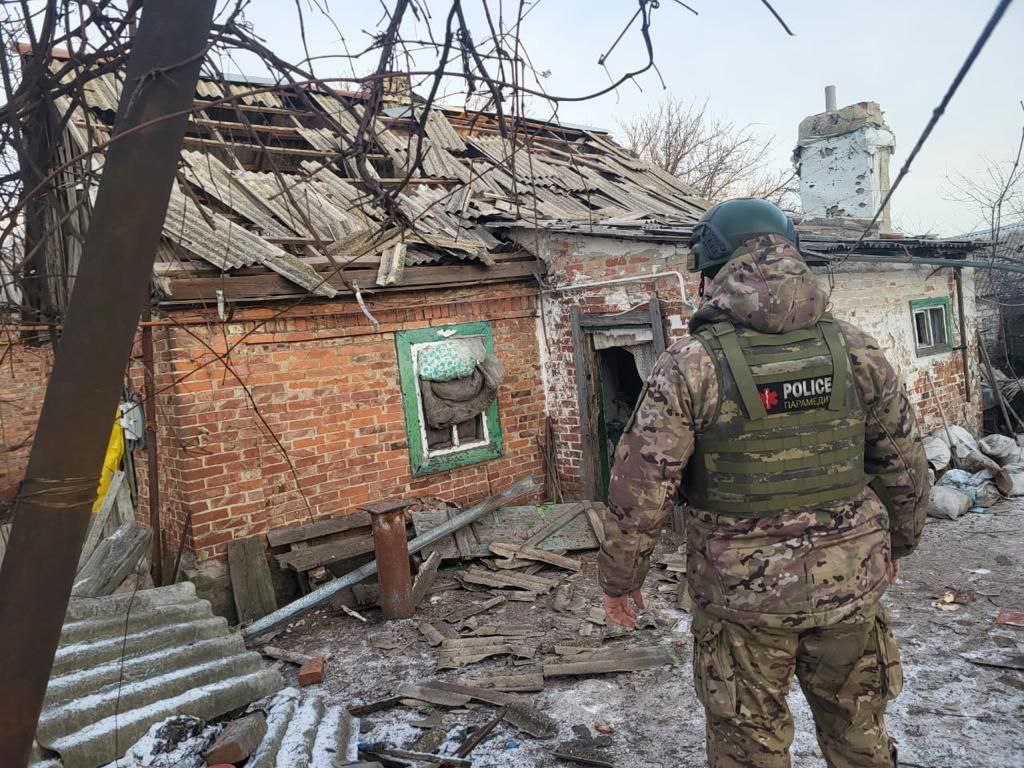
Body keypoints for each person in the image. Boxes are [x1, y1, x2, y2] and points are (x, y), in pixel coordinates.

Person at [598, 198, 930, 768]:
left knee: (748, 751)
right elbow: (904, 461)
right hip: (850, 584)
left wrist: (621, 580)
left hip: (741, 602)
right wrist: (898, 542)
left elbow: (642, 487)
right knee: (860, 739)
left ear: (713, 273)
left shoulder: (691, 365)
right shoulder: (855, 348)